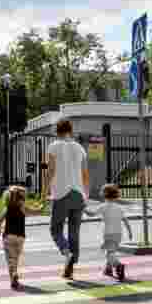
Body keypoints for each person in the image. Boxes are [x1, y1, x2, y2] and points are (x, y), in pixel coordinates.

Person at [42, 118, 89, 279]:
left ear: (57, 131)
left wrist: (44, 193)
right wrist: (86, 194)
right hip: (79, 194)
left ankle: (66, 252)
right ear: (70, 130)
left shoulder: (54, 146)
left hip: (61, 194)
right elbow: (84, 174)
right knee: (74, 232)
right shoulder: (80, 148)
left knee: (55, 230)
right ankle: (70, 267)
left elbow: (50, 171)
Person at [0, 185, 42, 290]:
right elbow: (36, 212)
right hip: (20, 237)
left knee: (10, 259)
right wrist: (41, 207)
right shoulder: (23, 208)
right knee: (16, 257)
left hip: (8, 236)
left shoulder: (8, 208)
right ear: (22, 199)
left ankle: (13, 276)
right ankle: (15, 273)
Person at [84, 183, 132, 281]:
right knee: (112, 252)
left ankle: (118, 265)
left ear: (103, 195)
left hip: (109, 234)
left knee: (109, 253)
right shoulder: (119, 207)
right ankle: (108, 269)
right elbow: (126, 220)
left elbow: (91, 214)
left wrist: (83, 208)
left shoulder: (104, 206)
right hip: (119, 234)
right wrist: (130, 232)